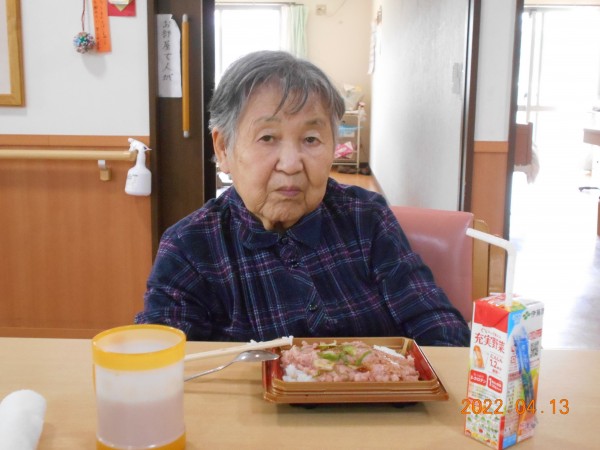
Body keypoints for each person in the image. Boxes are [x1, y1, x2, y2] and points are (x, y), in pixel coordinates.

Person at [135, 50, 470, 347]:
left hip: (379, 399)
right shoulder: (190, 247)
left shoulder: (365, 217)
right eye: (268, 137)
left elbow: (439, 328)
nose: (291, 164)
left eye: (311, 139)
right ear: (224, 149)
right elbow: (163, 360)